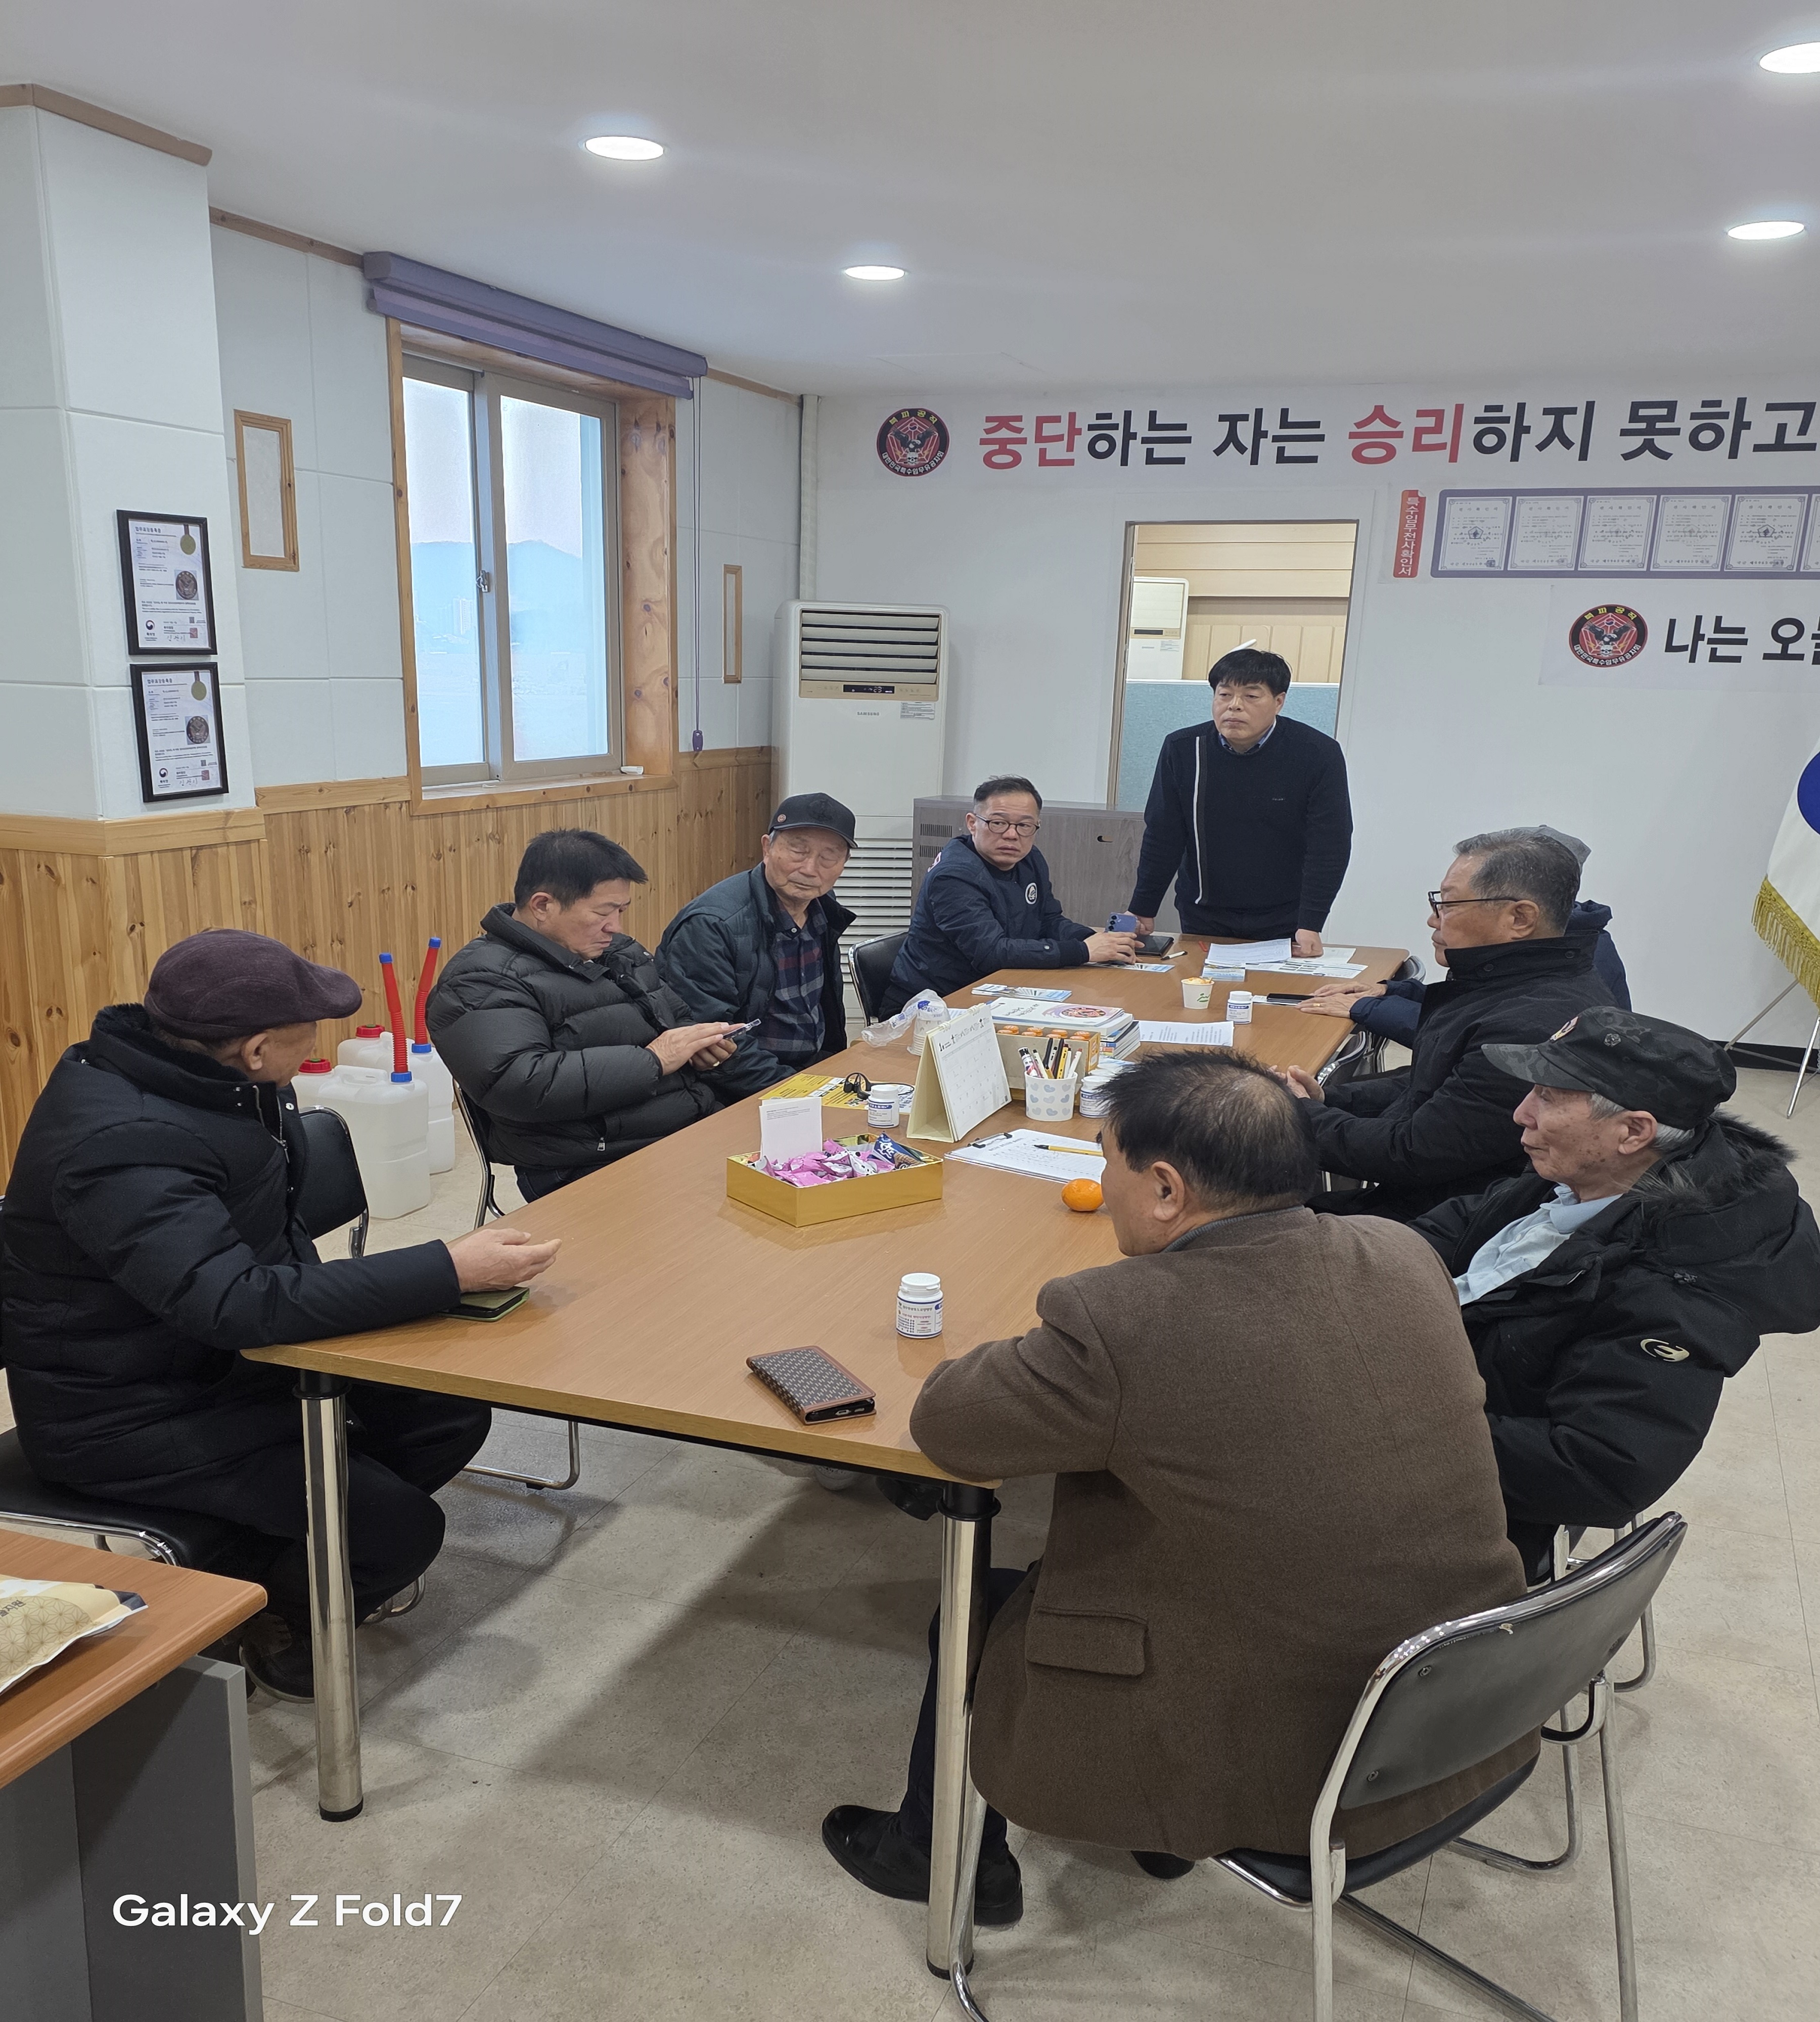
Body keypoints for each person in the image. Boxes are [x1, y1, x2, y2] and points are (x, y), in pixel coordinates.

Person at [822, 1051, 1530, 1925]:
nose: (1103, 1185)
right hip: (1461, 1707)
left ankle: (938, 1856)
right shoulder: (1402, 1251)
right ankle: (1156, 1835)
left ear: (1164, 1189)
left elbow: (948, 1426)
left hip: (1292, 1761)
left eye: (1106, 1160)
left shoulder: (1121, 1319)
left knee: (973, 1608)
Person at [0, 929, 559, 1702]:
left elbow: (258, 1265)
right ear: (258, 1048)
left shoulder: (215, 1082)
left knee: (446, 1411)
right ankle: (280, 1625)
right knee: (398, 1530)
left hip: (221, 1363)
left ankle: (285, 1554)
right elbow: (233, 1303)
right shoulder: (125, 1142)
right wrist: (446, 1270)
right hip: (126, 1414)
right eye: (308, 1035)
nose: (316, 1048)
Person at [1409, 1007, 1820, 1574]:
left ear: (1633, 1132)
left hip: (1455, 1496)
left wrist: (1390, 1428)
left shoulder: (1671, 1290)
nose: (1522, 1112)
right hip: (1419, 1377)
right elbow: (1465, 1223)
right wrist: (1348, 1257)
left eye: (1548, 1097)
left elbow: (1600, 1470)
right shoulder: (1588, 1176)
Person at [1275, 828, 1614, 1223]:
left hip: (1442, 1225)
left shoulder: (1525, 1028)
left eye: (1448, 905)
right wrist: (1327, 1101)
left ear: (1520, 918)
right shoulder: (1515, 983)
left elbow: (1409, 1153)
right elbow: (1431, 1085)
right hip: (1431, 1196)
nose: (1432, 919)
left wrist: (1296, 1115)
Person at [428, 830, 741, 1202]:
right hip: (589, 1161)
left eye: (622, 911)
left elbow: (677, 1018)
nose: (616, 927)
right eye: (603, 913)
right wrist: (654, 1061)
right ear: (542, 906)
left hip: (689, 1126)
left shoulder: (619, 951)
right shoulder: (481, 980)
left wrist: (699, 1048)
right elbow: (519, 1084)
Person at [1302, 825, 1630, 1043]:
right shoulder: (1551, 946)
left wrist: (1369, 1008)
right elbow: (1471, 1003)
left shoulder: (1577, 961)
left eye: (1449, 905)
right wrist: (1393, 991)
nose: (1433, 921)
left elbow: (1468, 1032)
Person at [1128, 646, 1352, 955]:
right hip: (1203, 913)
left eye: (1251, 696)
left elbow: (1329, 845)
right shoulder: (1184, 749)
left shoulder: (1317, 754)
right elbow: (1163, 834)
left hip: (1286, 916)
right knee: (1200, 985)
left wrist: (1312, 921)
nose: (1234, 706)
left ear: (1279, 702)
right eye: (1224, 695)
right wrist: (1143, 907)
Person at [657, 793, 857, 1099]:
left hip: (810, 1072)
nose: (809, 869)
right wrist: (801, 1093)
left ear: (843, 864)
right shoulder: (712, 925)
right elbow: (715, 1044)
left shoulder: (821, 905)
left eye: (829, 857)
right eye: (798, 850)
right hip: (737, 1090)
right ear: (767, 848)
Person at [881, 777, 1138, 1015]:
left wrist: (1098, 941)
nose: (1012, 835)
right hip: (936, 1005)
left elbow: (1049, 921)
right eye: (998, 823)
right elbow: (990, 953)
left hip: (997, 990)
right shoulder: (954, 876)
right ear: (972, 823)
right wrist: (1082, 951)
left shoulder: (1030, 859)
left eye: (1024, 825)